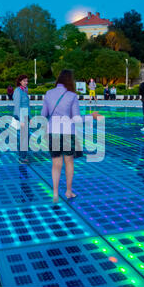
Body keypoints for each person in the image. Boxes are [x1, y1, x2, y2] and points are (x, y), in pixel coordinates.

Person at [41, 69, 101, 204]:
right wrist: (92, 116)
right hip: (68, 132)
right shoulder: (72, 96)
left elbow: (43, 114)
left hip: (53, 131)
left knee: (56, 164)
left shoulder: (48, 93)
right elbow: (77, 119)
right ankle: (68, 191)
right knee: (69, 162)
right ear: (70, 80)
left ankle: (55, 193)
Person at [13, 75, 30, 164]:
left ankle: (22, 155)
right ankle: (22, 157)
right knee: (24, 137)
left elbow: (27, 105)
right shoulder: (18, 91)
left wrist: (29, 117)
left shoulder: (25, 90)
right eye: (24, 81)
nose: (26, 83)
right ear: (20, 81)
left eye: (27, 81)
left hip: (26, 115)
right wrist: (21, 120)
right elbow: (17, 105)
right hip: (21, 116)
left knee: (26, 137)